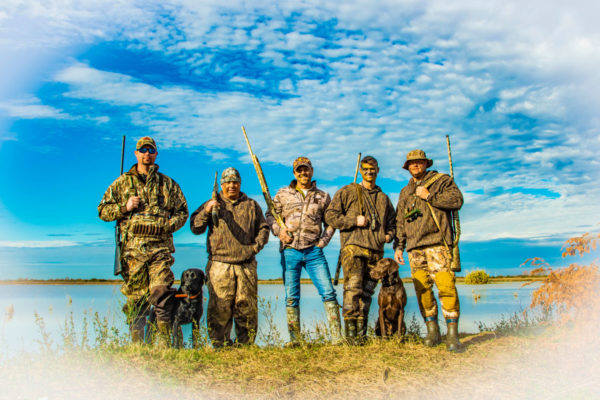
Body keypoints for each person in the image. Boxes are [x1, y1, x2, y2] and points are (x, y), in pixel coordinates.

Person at [98, 136, 188, 344]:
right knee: (136, 299)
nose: (147, 153)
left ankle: (165, 344)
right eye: (143, 150)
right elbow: (102, 210)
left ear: (156, 154)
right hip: (133, 254)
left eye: (151, 150)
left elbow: (182, 212)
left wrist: (167, 226)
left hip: (160, 251)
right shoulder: (122, 183)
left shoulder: (168, 184)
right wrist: (125, 207)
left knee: (162, 294)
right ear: (136, 153)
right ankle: (138, 346)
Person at [190, 167, 269, 347]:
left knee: (246, 306)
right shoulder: (212, 203)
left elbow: (263, 228)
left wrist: (255, 247)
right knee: (220, 306)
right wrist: (207, 210)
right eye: (227, 182)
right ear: (222, 185)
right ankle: (220, 344)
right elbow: (195, 227)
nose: (232, 185)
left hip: (246, 264)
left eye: (235, 182)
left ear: (240, 184)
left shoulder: (251, 205)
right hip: (219, 264)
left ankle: (246, 345)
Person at [267, 157, 342, 345]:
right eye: (299, 170)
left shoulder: (323, 196)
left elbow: (331, 221)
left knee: (328, 292)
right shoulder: (282, 193)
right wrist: (279, 232)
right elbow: (270, 216)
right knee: (291, 297)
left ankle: (337, 339)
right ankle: (295, 340)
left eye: (306, 170)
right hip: (290, 250)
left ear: (312, 171)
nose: (303, 173)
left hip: (314, 252)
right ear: (294, 173)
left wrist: (323, 242)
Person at [394, 149, 463, 351]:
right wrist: (399, 246)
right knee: (422, 290)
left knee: (446, 286)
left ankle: (452, 335)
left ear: (426, 164)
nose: (415, 165)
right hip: (414, 248)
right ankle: (432, 331)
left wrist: (429, 196)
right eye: (411, 163)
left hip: (438, 243)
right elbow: (400, 220)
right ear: (407, 168)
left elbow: (457, 201)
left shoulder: (442, 181)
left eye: (419, 162)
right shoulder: (405, 191)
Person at [325, 155, 396, 341]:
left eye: (372, 169)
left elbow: (393, 223)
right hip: (353, 249)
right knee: (352, 290)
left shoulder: (384, 199)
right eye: (365, 169)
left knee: (367, 293)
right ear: (360, 170)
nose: (369, 172)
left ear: (378, 171)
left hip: (376, 253)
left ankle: (361, 336)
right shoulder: (348, 191)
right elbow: (330, 216)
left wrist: (389, 235)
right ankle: (350, 338)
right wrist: (353, 221)